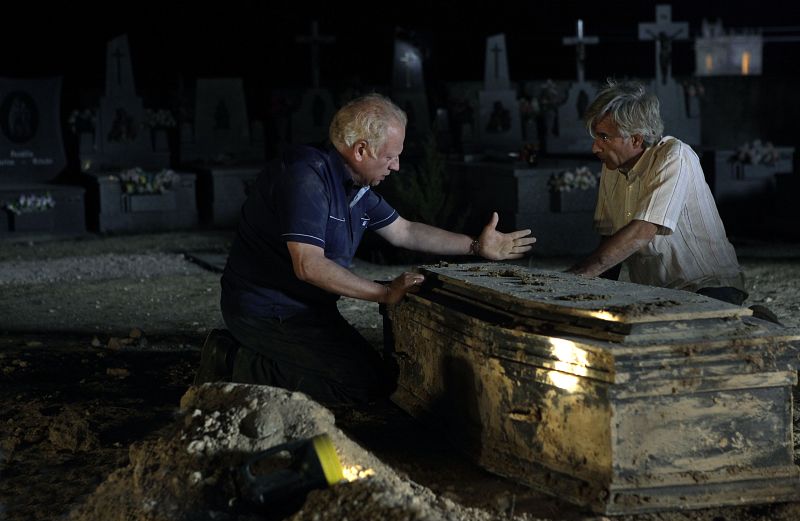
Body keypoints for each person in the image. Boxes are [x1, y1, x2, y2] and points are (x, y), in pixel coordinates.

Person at [195, 93, 536, 404]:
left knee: (377, 377)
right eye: (391, 156)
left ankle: (265, 360)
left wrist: (476, 245)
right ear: (360, 151)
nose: (396, 166)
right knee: (359, 386)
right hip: (266, 309)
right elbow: (308, 265)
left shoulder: (354, 185)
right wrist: (384, 293)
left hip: (308, 309)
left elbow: (404, 231)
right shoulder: (305, 178)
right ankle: (231, 360)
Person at [567, 80, 748, 306]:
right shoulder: (612, 167)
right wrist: (585, 293)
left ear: (636, 138)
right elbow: (610, 241)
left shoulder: (674, 156)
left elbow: (643, 230)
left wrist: (577, 276)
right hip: (656, 294)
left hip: (707, 285)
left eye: (604, 137)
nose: (595, 147)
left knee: (676, 324)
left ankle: (753, 319)